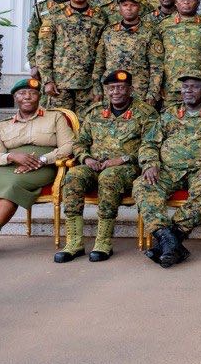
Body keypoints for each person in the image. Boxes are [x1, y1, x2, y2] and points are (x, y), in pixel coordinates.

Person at [134, 69, 201, 268]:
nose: (188, 91)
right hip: (167, 170)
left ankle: (169, 241)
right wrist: (150, 164)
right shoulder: (170, 113)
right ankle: (168, 240)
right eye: (185, 86)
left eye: (194, 86)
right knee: (143, 185)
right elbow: (149, 143)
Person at [0, 78, 75, 261]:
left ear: (39, 97)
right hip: (9, 165)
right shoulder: (2, 125)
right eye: (22, 93)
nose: (27, 97)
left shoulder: (55, 117)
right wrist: (11, 156)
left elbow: (69, 146)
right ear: (15, 98)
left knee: (12, 186)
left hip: (41, 167)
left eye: (32, 93)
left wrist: (44, 159)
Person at [55, 70, 157, 263]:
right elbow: (80, 142)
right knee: (73, 176)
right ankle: (74, 242)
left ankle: (103, 242)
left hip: (127, 168)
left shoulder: (145, 113)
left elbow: (152, 145)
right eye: (111, 88)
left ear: (130, 89)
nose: (115, 92)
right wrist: (86, 159)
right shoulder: (95, 112)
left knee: (109, 178)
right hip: (94, 165)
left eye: (120, 87)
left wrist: (123, 159)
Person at [37, 0, 106, 112]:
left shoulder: (99, 16)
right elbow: (44, 50)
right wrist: (47, 80)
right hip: (60, 83)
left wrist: (98, 84)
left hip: (88, 84)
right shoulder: (55, 15)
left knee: (85, 124)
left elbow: (103, 51)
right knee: (60, 123)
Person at [90, 0, 161, 107]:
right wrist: (97, 89)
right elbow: (99, 64)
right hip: (112, 91)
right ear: (119, 8)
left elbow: (156, 66)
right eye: (125, 5)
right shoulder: (109, 31)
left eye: (133, 5)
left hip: (139, 90)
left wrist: (152, 93)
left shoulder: (150, 32)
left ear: (139, 7)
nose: (129, 8)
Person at [151, 0, 201, 107]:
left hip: (198, 85)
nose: (186, 2)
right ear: (176, 2)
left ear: (197, 2)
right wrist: (156, 87)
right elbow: (156, 59)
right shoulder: (164, 25)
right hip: (172, 85)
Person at [26, 0, 74, 78]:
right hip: (46, 65)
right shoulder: (42, 8)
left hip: (72, 65)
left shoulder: (79, 6)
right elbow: (33, 35)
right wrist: (33, 64)